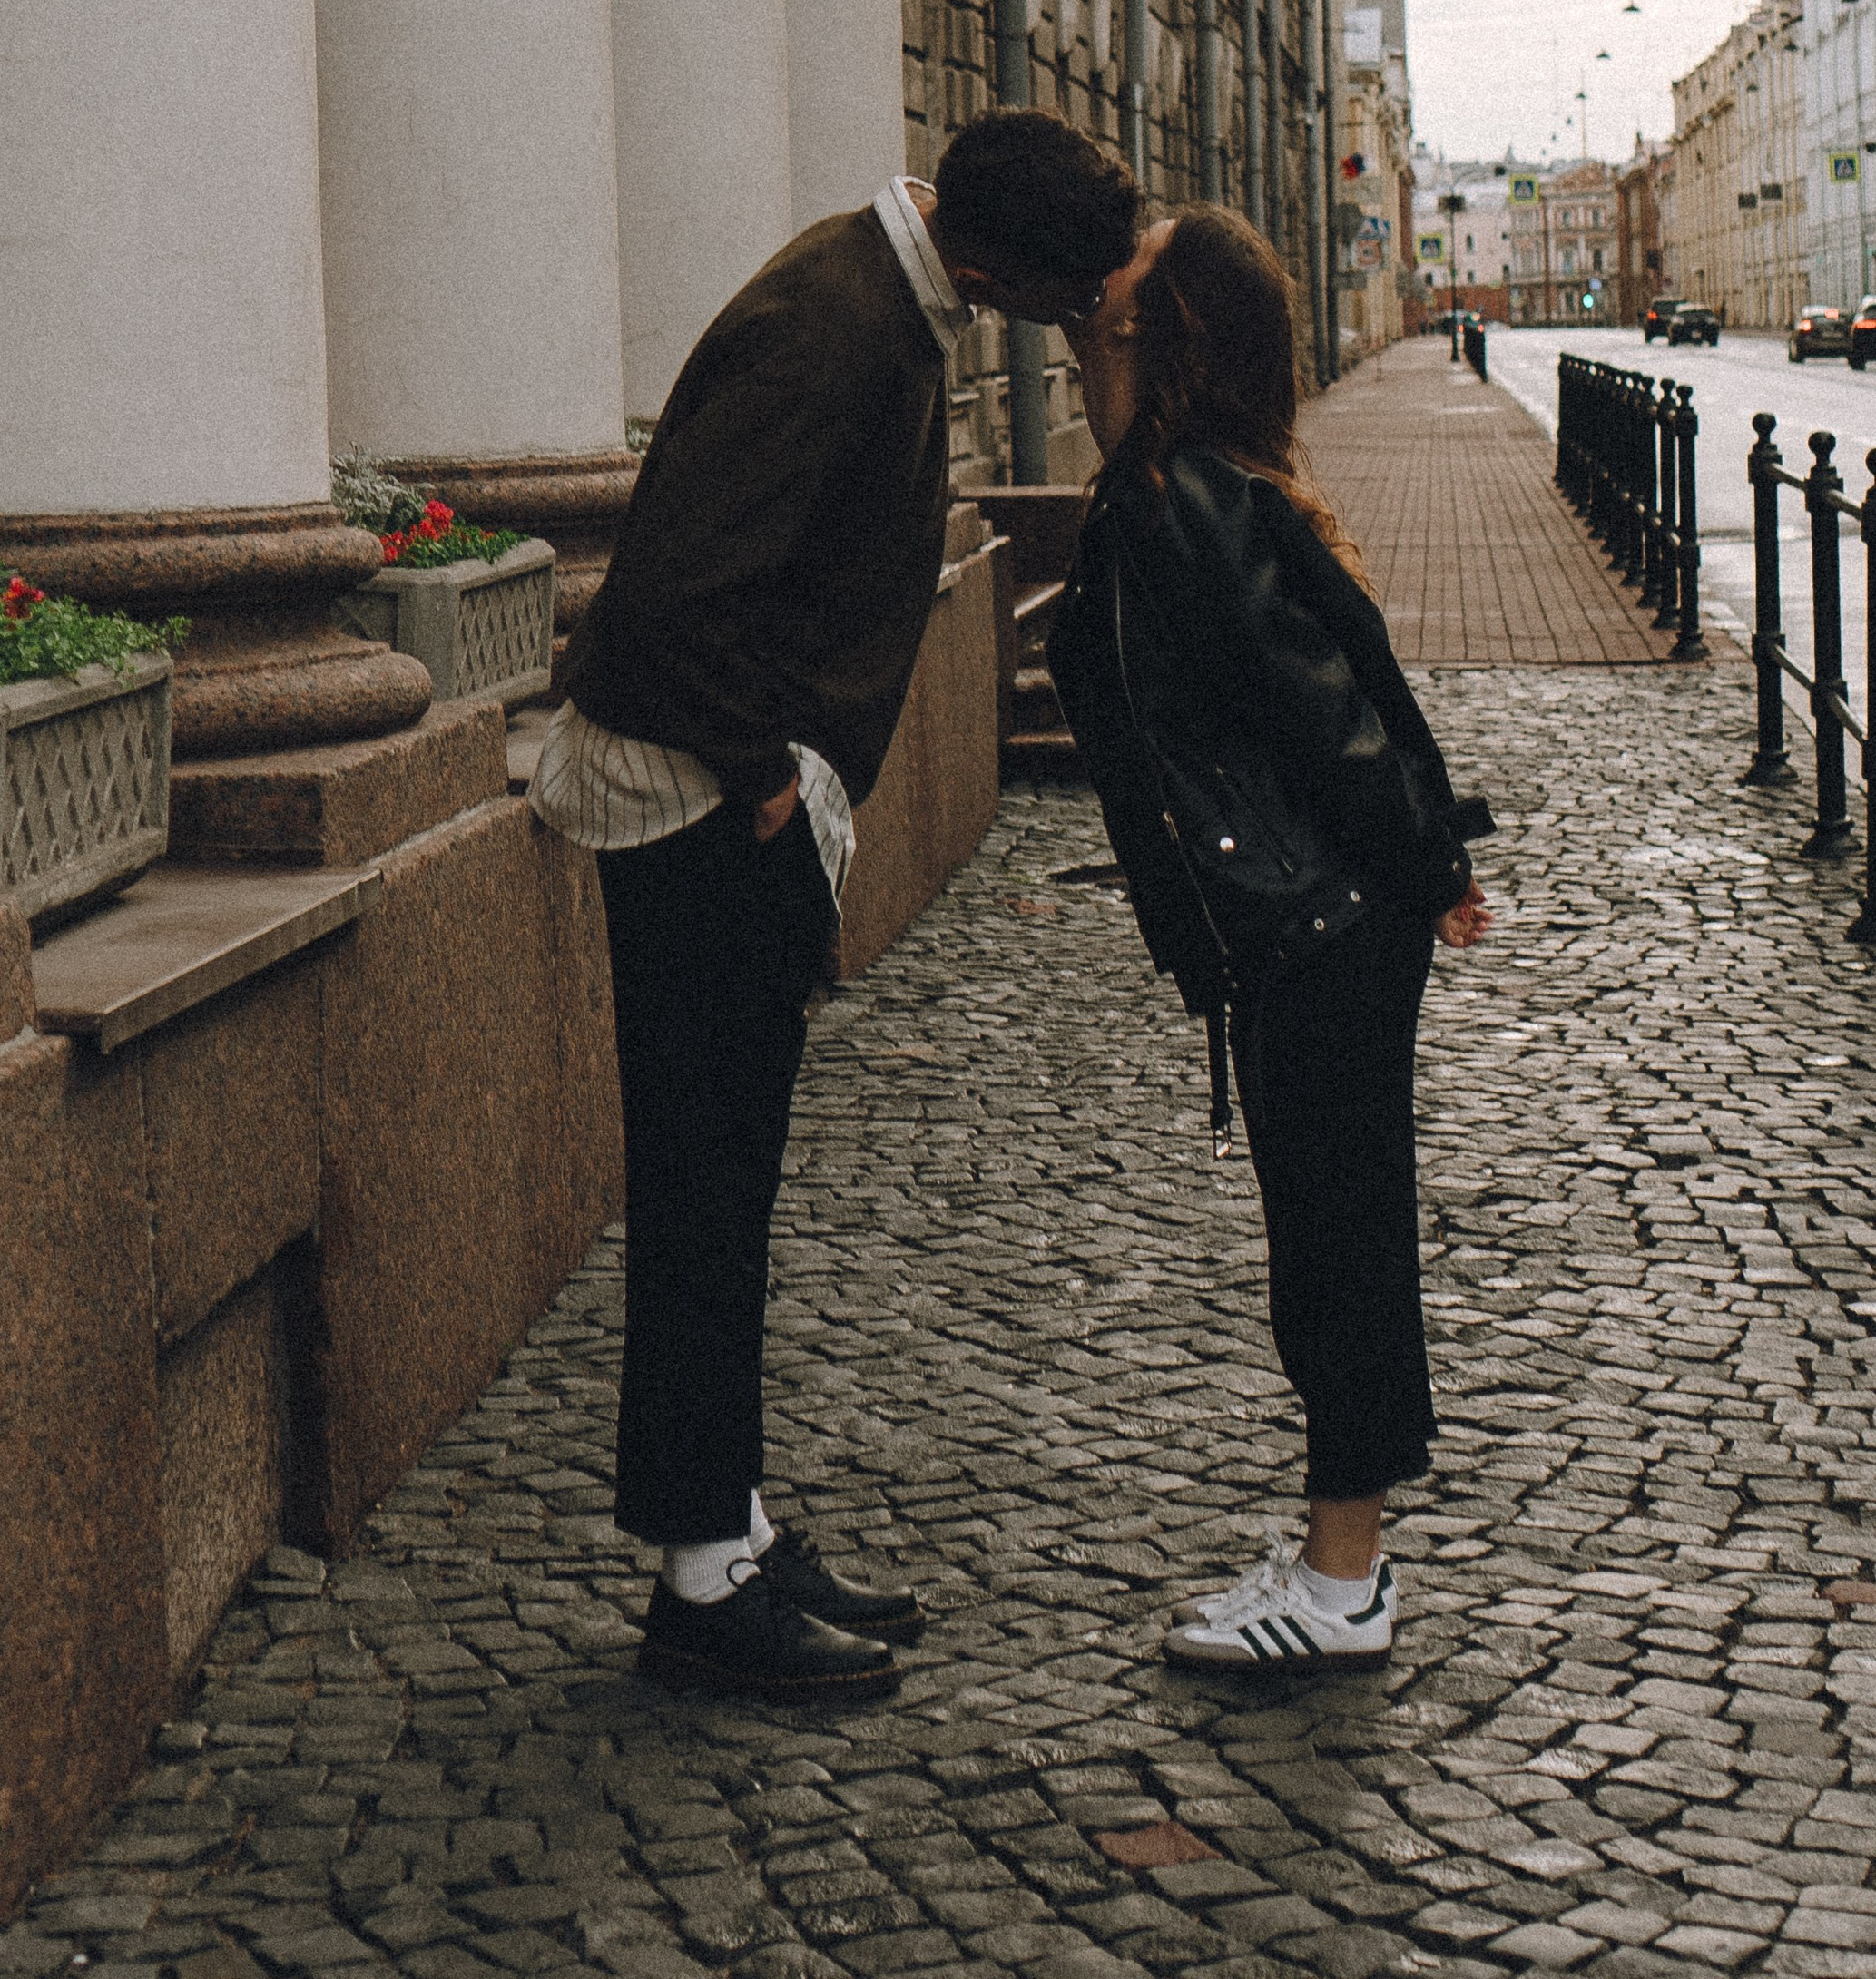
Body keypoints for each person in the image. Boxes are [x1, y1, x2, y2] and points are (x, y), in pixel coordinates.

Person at [532, 110, 1142, 1705]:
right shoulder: (838, 325)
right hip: (694, 808)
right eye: (1060, 299)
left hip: (722, 797)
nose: (1062, 328)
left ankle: (722, 1528)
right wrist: (761, 772)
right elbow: (666, 590)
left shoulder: (880, 293)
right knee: (703, 1198)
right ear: (994, 256)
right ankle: (701, 1586)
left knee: (724, 1196)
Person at [1047, 206, 1493, 1670]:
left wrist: (1426, 867)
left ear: (1159, 325)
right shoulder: (1182, 481)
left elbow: (1335, 716)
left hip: (1320, 922)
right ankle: (1331, 1556)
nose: (1104, 269)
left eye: (1132, 262)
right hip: (1308, 918)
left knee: (1338, 1243)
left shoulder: (1185, 498)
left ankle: (1345, 1581)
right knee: (1325, 1234)